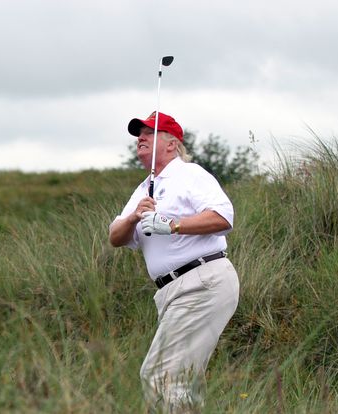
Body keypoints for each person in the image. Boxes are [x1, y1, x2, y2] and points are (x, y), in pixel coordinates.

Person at [108, 111, 239, 411]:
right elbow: (115, 236)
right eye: (139, 133)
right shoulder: (144, 189)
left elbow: (223, 217)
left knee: (161, 376)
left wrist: (172, 224)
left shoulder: (190, 174)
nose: (140, 138)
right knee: (177, 380)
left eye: (149, 133)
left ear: (171, 143)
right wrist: (133, 217)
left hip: (202, 281)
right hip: (172, 292)